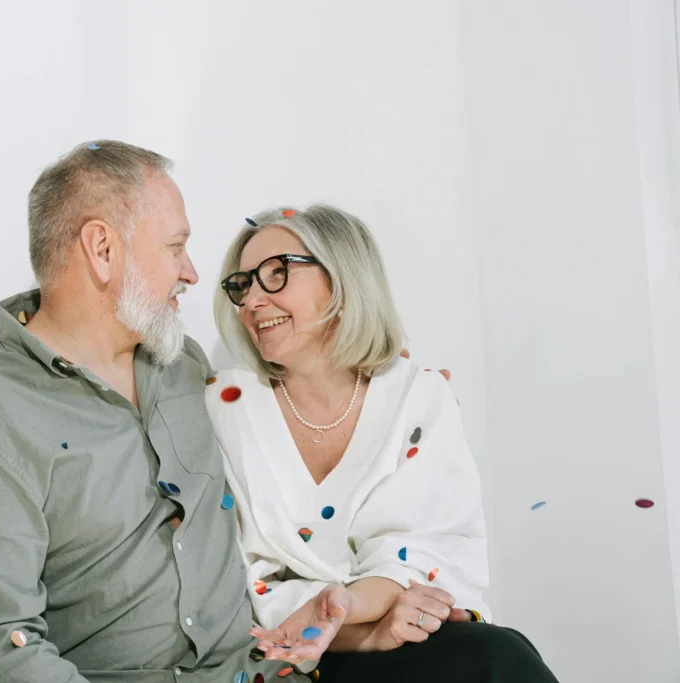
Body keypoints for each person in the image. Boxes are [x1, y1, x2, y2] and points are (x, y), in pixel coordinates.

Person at [0, 140, 299, 682]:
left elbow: (283, 440)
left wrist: (375, 378)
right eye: (175, 247)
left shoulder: (182, 364)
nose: (190, 272)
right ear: (102, 248)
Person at [205, 205, 560, 681]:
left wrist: (350, 605)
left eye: (276, 273)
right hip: (278, 654)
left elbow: (428, 549)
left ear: (343, 278)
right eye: (242, 284)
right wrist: (354, 630)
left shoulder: (417, 396)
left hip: (398, 632)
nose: (251, 301)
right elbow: (236, 576)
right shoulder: (224, 406)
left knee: (499, 656)